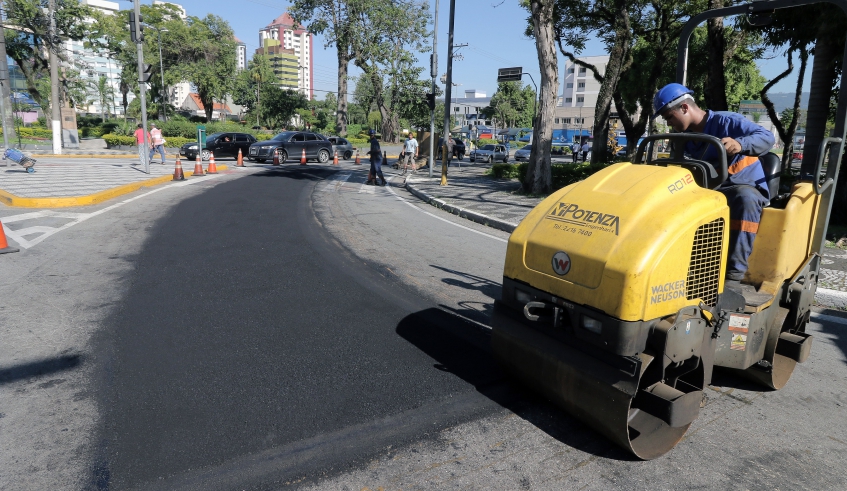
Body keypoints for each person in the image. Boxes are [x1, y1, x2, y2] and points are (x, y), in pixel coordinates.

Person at [653, 83, 775, 287]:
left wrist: (740, 144)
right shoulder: (683, 138)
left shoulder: (728, 121)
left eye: (670, 117)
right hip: (709, 189)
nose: (669, 125)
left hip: (740, 186)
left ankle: (733, 277)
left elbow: (767, 138)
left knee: (745, 200)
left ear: (684, 108)